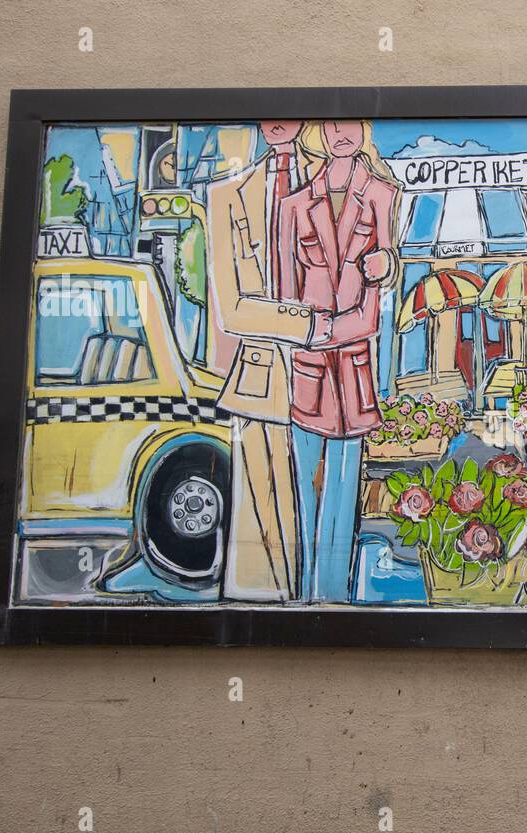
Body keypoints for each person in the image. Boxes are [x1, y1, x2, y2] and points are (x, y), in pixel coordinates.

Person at [277, 120, 400, 603]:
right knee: (306, 479)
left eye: (349, 124)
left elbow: (387, 264)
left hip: (351, 359)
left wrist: (384, 265)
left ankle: (333, 595)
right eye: (330, 125)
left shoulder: (381, 194)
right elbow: (286, 290)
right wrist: (305, 333)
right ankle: (302, 594)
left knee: (345, 482)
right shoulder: (294, 204)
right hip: (308, 358)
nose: (340, 133)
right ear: (318, 134)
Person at [206, 121, 326, 602]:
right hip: (259, 379)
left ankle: (323, 600)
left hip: (329, 373)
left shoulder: (334, 180)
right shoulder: (226, 196)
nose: (279, 124)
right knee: (260, 514)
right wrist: (309, 323)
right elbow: (231, 308)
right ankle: (267, 607)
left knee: (319, 505)